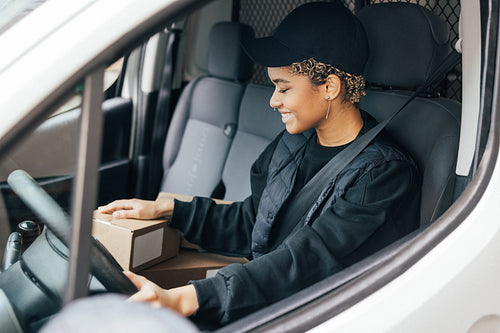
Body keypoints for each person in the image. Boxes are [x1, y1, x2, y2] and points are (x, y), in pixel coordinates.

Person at [98, 1, 420, 326]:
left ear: (329, 87)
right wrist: (168, 210)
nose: (273, 100)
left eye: (284, 88)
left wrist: (187, 298)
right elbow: (251, 224)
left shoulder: (384, 173)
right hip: (266, 300)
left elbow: (306, 262)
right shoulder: (294, 142)